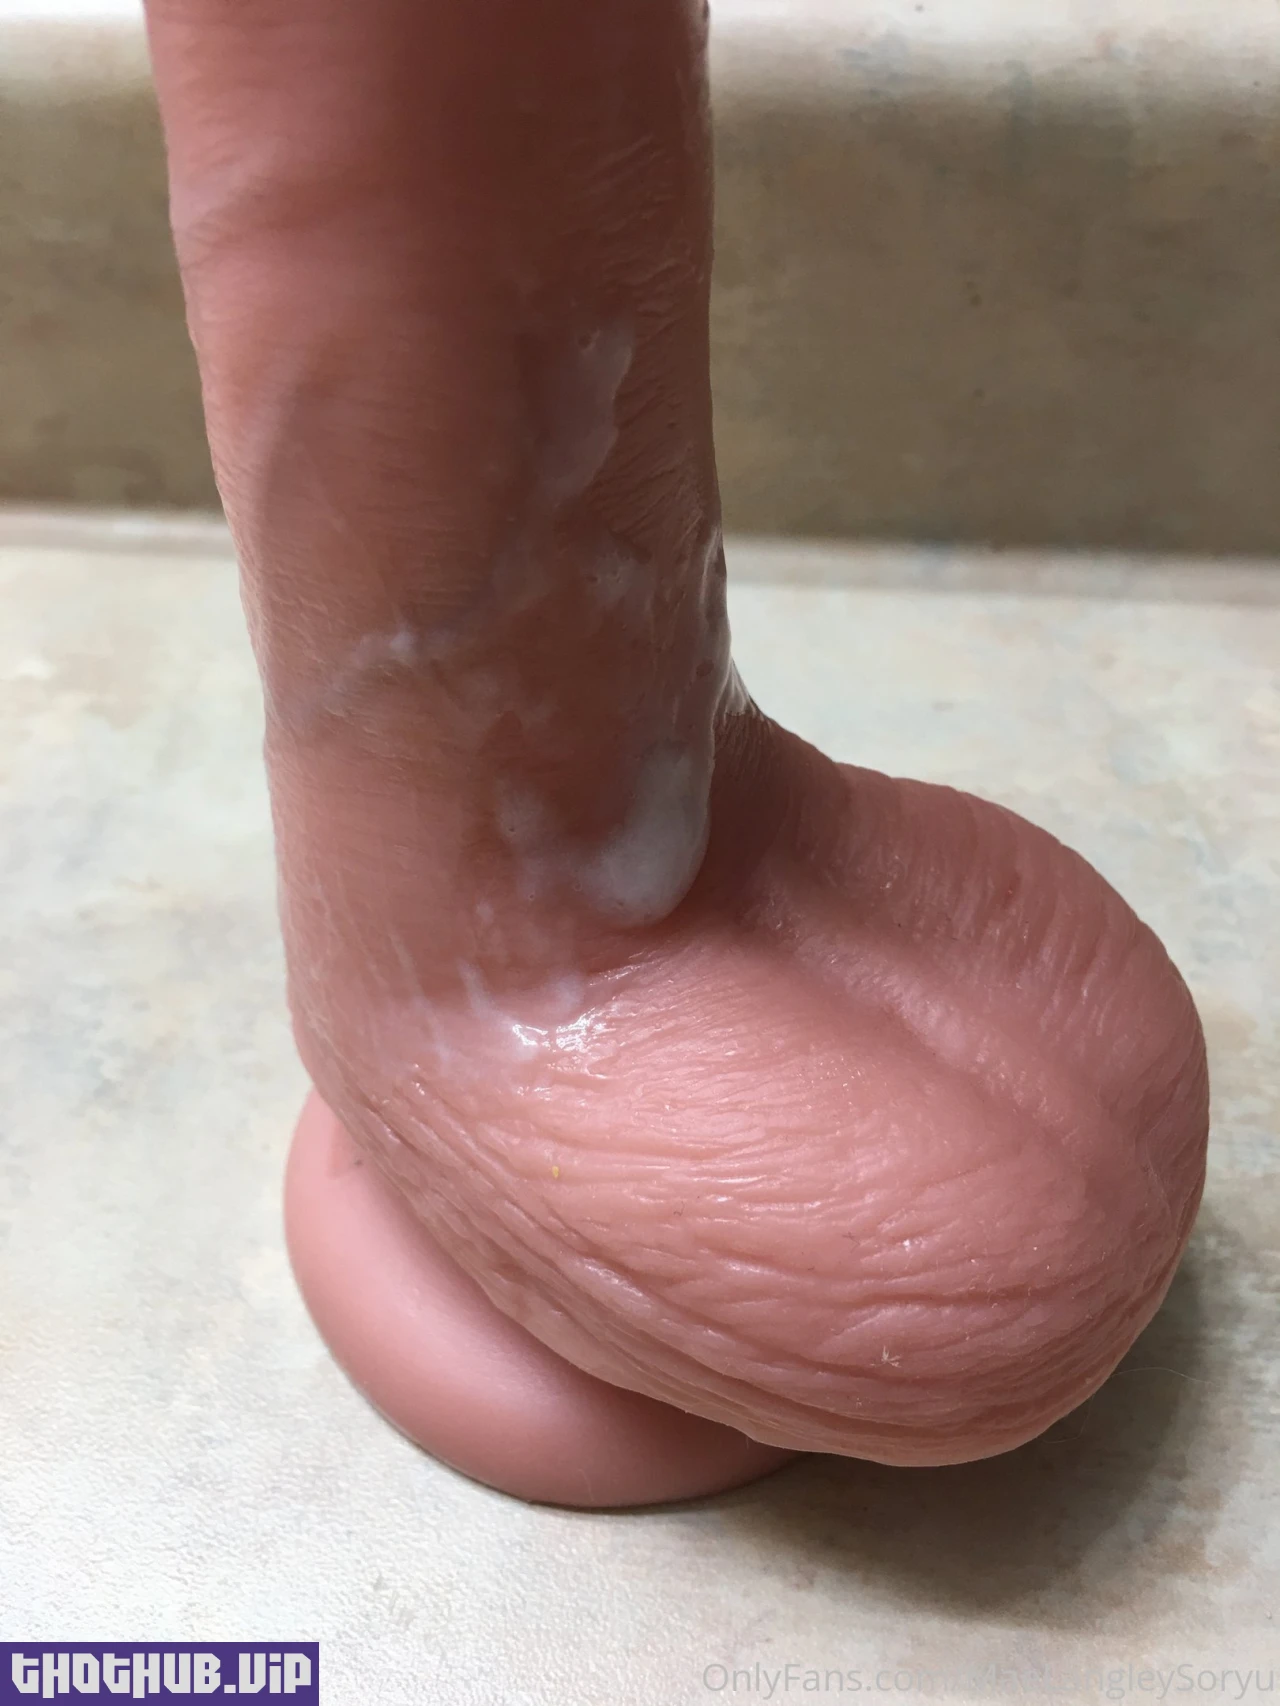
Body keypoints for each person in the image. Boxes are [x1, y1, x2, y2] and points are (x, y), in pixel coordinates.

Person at [141, 0, 1208, 1508]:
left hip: (692, 768)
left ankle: (649, 832)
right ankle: (456, 950)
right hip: (511, 916)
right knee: (1011, 1245)